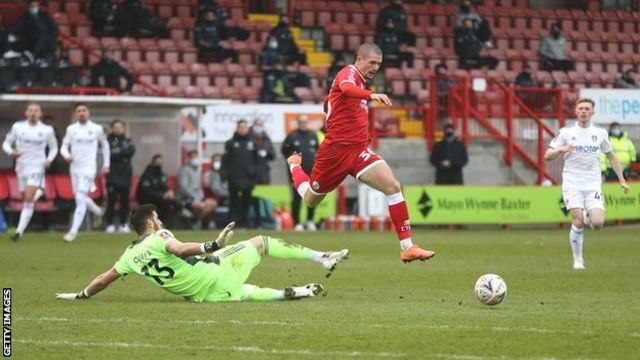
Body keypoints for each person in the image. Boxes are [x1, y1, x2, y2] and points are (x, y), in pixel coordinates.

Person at [285, 43, 435, 262]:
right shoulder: (348, 73)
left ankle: (407, 247)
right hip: (334, 153)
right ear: (360, 59)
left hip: (359, 150)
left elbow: (333, 103)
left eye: (379, 64)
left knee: (393, 186)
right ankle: (294, 166)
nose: (375, 67)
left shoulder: (361, 82)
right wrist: (370, 95)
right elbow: (345, 89)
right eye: (372, 62)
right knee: (310, 200)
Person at [55, 204, 350, 303]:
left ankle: (288, 293)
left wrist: (81, 295)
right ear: (150, 222)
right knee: (261, 241)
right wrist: (212, 245)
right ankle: (320, 257)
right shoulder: (160, 236)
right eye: (157, 217)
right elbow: (180, 248)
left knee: (245, 292)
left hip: (202, 296)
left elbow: (105, 279)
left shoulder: (129, 256)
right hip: (213, 270)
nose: (161, 221)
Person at [544, 98, 630, 270]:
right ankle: (578, 260)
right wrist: (561, 149)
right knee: (578, 220)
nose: (584, 111)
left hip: (593, 184)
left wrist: (622, 180)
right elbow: (547, 155)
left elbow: (611, 156)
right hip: (572, 183)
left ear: (592, 112)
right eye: (581, 108)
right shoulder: (566, 132)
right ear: (575, 112)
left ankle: (589, 217)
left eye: (587, 109)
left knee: (597, 224)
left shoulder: (600, 133)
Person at [2, 103, 58, 241]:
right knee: (24, 197)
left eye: (36, 110)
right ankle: (41, 188)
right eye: (30, 110)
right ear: (26, 113)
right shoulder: (17, 127)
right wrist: (11, 152)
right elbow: (6, 144)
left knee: (28, 199)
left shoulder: (47, 130)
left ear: (40, 114)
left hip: (37, 167)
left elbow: (54, 148)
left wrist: (48, 160)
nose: (33, 113)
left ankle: (19, 232)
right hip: (21, 167)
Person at [60, 103, 110, 242]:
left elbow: (105, 145)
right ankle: (98, 211)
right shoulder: (71, 129)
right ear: (76, 114)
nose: (81, 113)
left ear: (88, 112)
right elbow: (63, 146)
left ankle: (73, 232)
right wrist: (67, 155)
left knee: (80, 199)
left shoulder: (96, 129)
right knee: (79, 197)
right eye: (78, 111)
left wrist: (106, 164)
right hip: (75, 168)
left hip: (89, 169)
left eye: (84, 110)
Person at [282, 115, 320, 231]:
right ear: (298, 123)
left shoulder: (313, 135)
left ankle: (309, 220)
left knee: (312, 197)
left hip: (312, 173)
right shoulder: (292, 136)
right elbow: (284, 151)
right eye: (301, 122)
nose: (303, 124)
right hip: (297, 174)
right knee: (296, 199)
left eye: (305, 122)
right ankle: (297, 222)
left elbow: (318, 151)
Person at [223, 120, 259, 228]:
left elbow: (257, 161)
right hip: (234, 178)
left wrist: (256, 175)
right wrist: (224, 174)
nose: (242, 129)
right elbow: (225, 160)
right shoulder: (230, 143)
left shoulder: (253, 143)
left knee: (246, 202)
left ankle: (245, 223)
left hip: (248, 178)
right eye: (240, 127)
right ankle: (230, 224)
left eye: (245, 127)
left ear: (247, 129)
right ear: (237, 128)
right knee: (233, 202)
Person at [105, 119, 135, 233]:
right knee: (111, 201)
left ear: (123, 128)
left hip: (125, 175)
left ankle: (123, 224)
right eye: (115, 127)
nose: (117, 129)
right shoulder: (108, 140)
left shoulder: (127, 140)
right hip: (112, 175)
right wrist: (120, 152)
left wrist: (118, 151)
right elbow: (108, 152)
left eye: (120, 127)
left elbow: (131, 151)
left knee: (125, 202)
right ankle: (110, 224)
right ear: (112, 128)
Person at [136, 154, 180, 225]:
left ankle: (181, 221)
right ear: (153, 162)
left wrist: (169, 192)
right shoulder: (147, 175)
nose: (159, 164)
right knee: (165, 203)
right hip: (147, 199)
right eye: (158, 162)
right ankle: (157, 223)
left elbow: (164, 187)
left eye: (161, 162)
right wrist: (162, 195)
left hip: (159, 198)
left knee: (174, 201)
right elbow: (146, 192)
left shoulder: (162, 175)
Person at [178, 150, 217, 229]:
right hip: (187, 198)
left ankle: (197, 221)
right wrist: (195, 198)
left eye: (196, 157)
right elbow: (183, 188)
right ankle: (197, 222)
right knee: (202, 206)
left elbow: (199, 187)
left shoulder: (197, 170)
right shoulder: (184, 170)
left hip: (199, 197)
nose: (195, 159)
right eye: (193, 157)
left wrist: (201, 197)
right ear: (188, 159)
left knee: (213, 203)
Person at [251, 117, 275, 185]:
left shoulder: (266, 137)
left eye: (261, 125)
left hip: (264, 170)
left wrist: (267, 153)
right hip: (252, 169)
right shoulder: (249, 137)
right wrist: (257, 152)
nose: (259, 127)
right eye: (257, 125)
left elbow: (273, 155)